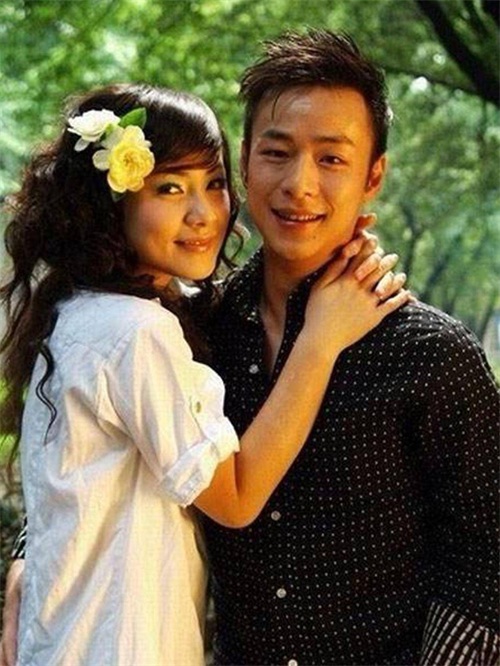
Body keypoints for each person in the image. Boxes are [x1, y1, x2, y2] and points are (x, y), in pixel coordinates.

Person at [0, 82, 408, 665]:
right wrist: (320, 341)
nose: (202, 214)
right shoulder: (135, 330)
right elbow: (235, 497)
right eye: (169, 187)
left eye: (213, 185)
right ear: (110, 201)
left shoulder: (84, 311)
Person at [198, 30, 500, 666]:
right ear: (245, 161)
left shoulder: (432, 354)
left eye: (332, 158)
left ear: (374, 175)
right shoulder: (193, 330)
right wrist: (34, 553)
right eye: (277, 152)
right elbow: (109, 432)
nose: (300, 184)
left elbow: (486, 552)